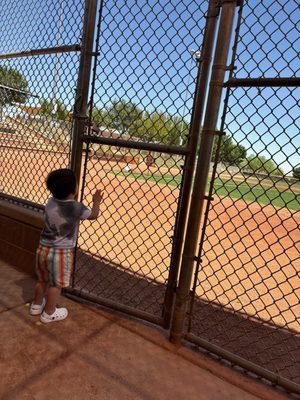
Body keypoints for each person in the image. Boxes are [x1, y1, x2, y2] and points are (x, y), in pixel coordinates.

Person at [29, 168, 103, 323]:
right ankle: (49, 313)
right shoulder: (76, 207)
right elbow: (94, 215)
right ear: (73, 190)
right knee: (56, 285)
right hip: (61, 253)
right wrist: (96, 201)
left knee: (42, 279)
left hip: (43, 248)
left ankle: (36, 306)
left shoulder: (50, 202)